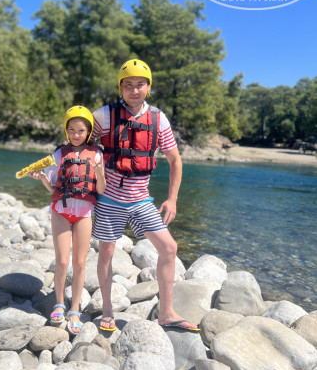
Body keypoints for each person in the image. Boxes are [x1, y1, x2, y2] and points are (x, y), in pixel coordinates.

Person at [91, 59, 199, 332]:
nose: (134, 90)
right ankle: (107, 310)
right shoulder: (104, 116)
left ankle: (166, 312)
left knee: (169, 248)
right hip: (109, 199)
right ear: (120, 88)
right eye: (128, 85)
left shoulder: (158, 119)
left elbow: (175, 160)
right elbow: (80, 143)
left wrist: (172, 199)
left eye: (140, 84)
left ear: (148, 87)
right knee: (107, 251)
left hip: (141, 200)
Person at [29, 105, 106, 334]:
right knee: (62, 261)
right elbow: (54, 186)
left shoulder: (97, 155)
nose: (75, 134)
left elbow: (101, 190)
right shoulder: (59, 154)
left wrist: (99, 172)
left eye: (80, 130)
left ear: (88, 132)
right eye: (71, 130)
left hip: (84, 213)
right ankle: (59, 303)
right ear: (66, 130)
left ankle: (75, 309)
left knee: (80, 263)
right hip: (61, 211)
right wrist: (43, 179)